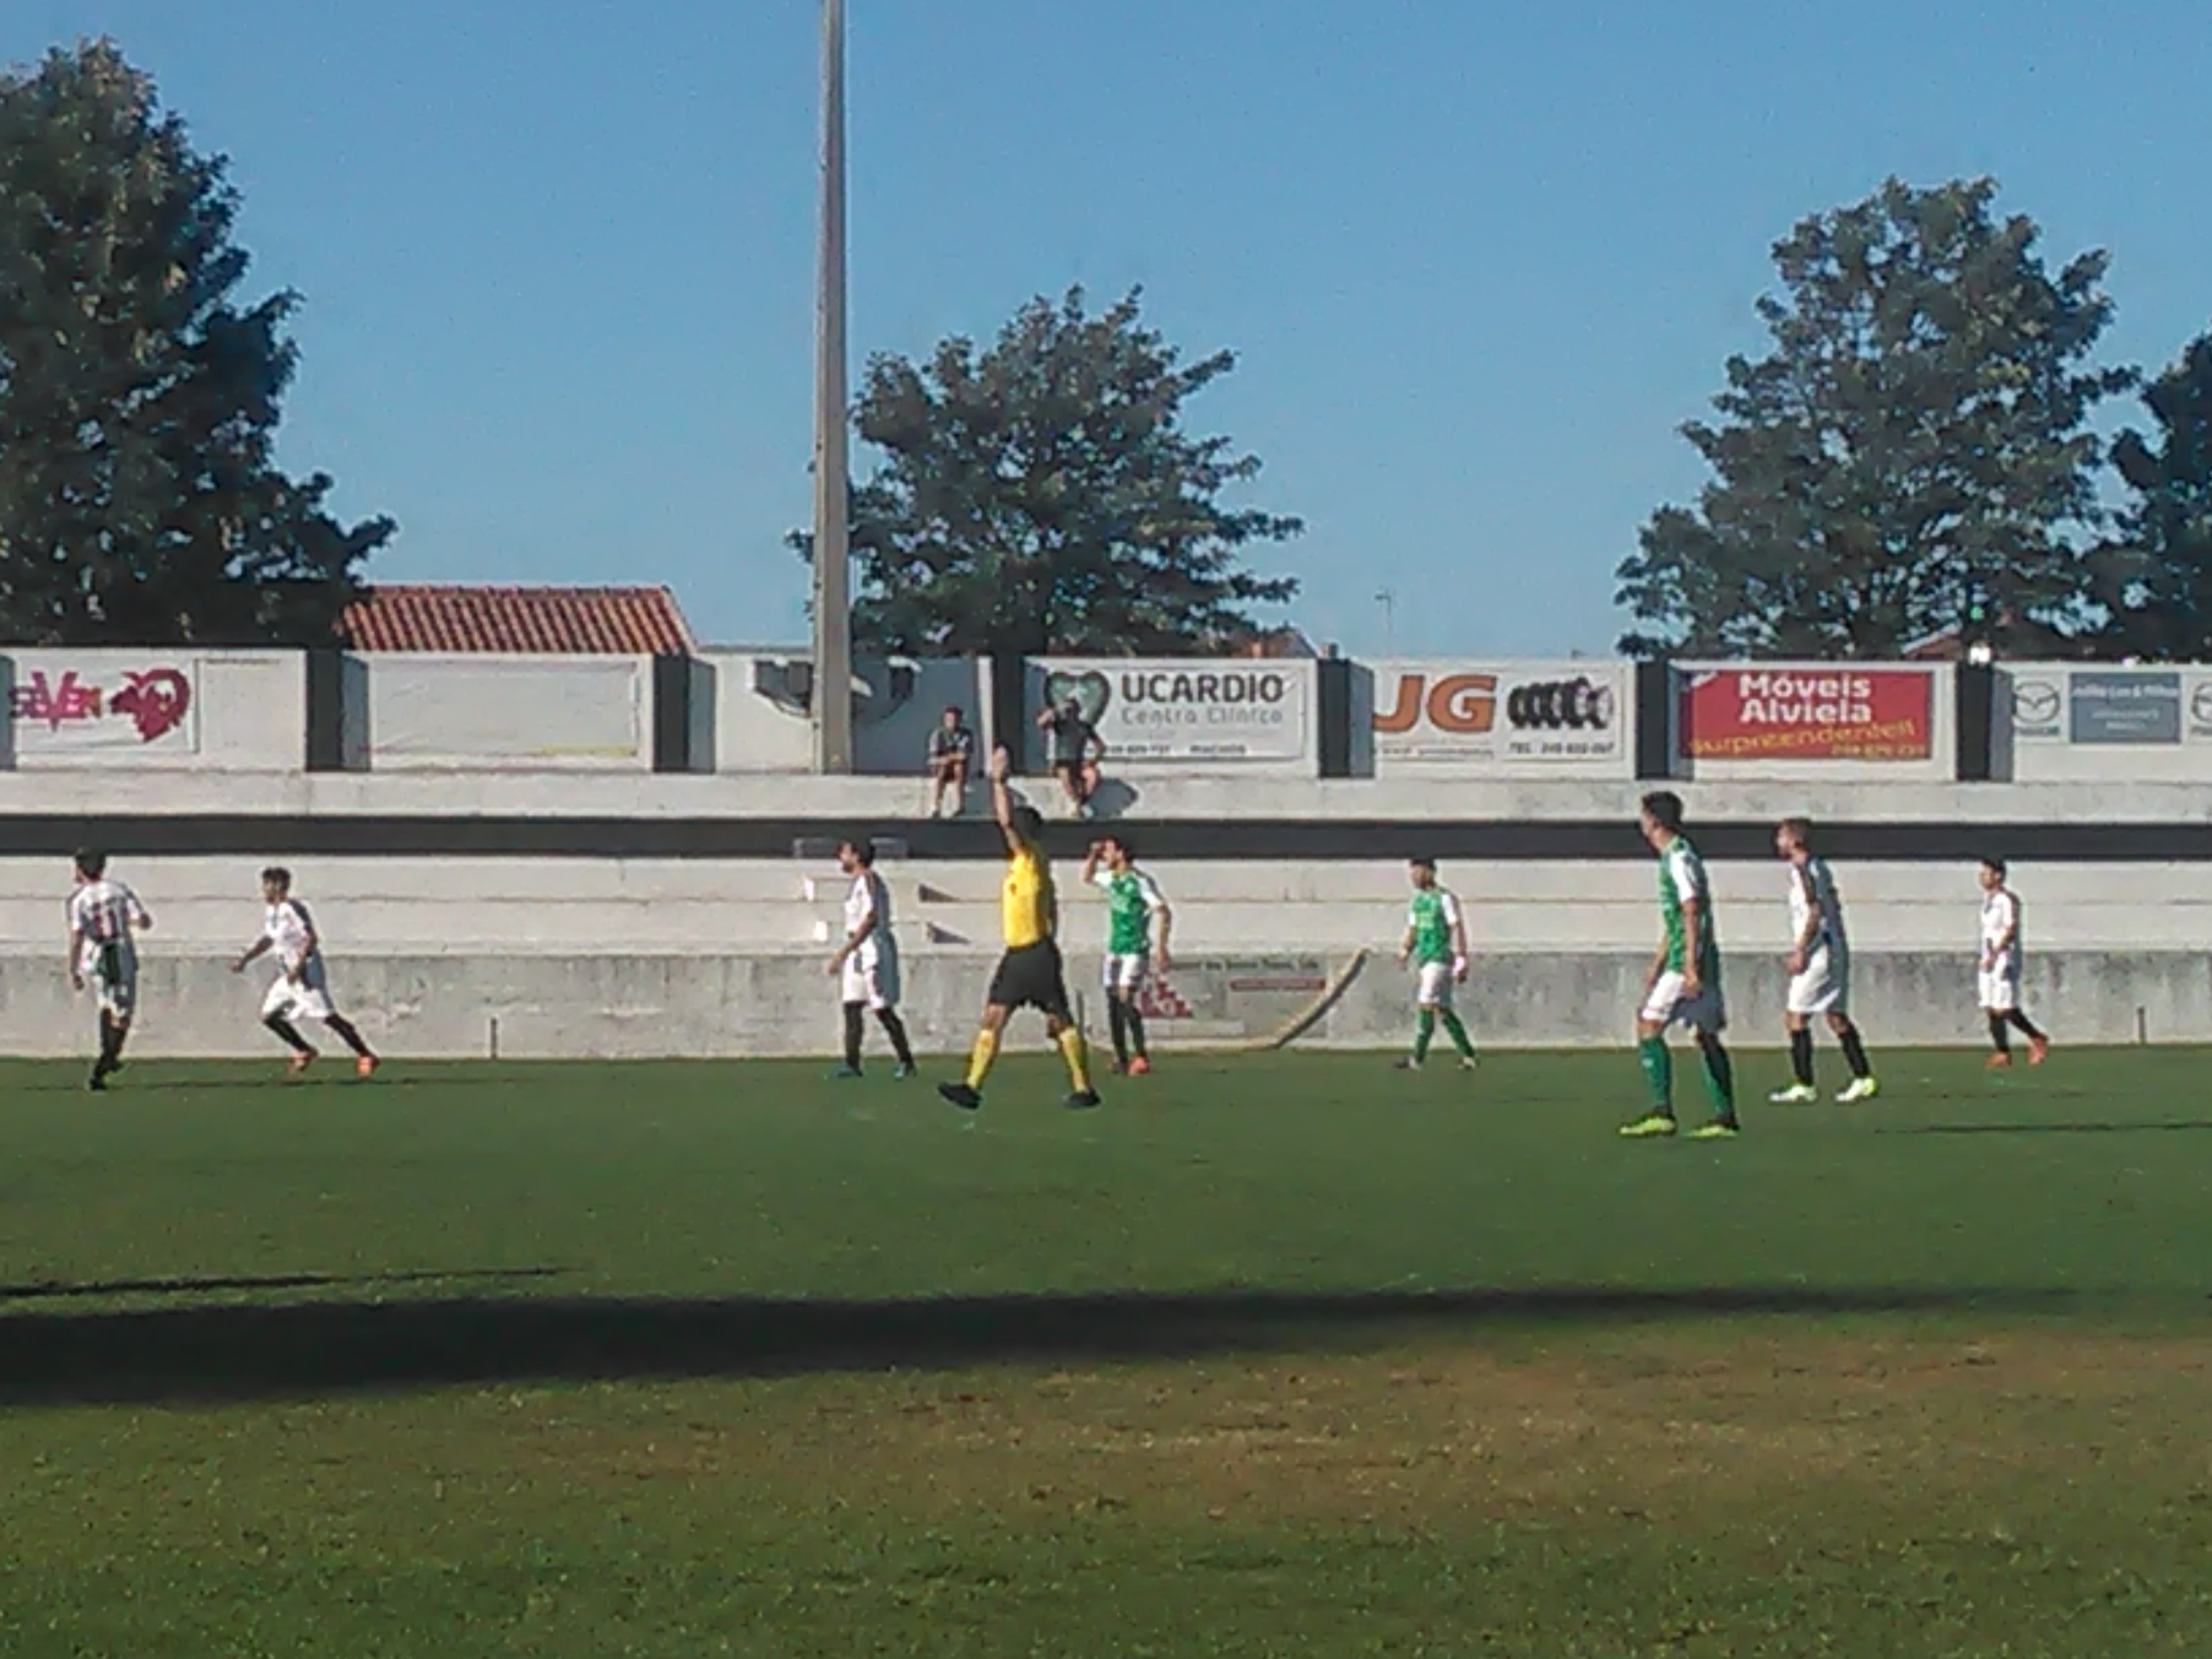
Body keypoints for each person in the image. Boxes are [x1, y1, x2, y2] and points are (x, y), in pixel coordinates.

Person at [939, 746, 1100, 1111]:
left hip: (1028, 952)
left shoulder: (1028, 859)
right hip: (1032, 951)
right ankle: (1081, 1086)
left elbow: (1006, 822)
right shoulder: (1035, 864)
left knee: (1001, 1017)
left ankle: (974, 1086)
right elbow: (1054, 908)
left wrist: (999, 782)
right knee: (1053, 1019)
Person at [1620, 791, 1740, 1141]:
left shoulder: (1678, 858)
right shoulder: (1677, 855)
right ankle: (1725, 1116)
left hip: (1688, 961)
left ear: (1654, 820)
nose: (1641, 822)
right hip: (1690, 958)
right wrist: (1657, 960)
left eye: (1643, 815)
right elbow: (1676, 918)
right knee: (1705, 1036)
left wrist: (1688, 965)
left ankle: (1662, 1112)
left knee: (1648, 1024)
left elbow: (1691, 910)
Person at [1768, 819, 1879, 1104]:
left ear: (1793, 840)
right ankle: (1863, 1077)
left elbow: (1815, 911)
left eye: (1781, 836)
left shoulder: (1804, 869)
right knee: (1835, 1015)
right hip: (1832, 949)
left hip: (1819, 952)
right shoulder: (1819, 867)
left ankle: (1805, 1084)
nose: (1777, 842)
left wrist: (1801, 950)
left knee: (1796, 1017)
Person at [230, 867, 379, 1077]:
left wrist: (298, 968)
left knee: (327, 1016)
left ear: (277, 887)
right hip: (288, 974)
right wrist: (245, 960)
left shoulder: (292, 908)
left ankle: (365, 1054)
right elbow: (269, 939)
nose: (263, 891)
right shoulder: (272, 912)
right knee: (269, 1016)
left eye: (266, 886)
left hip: (305, 971)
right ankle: (304, 1049)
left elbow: (311, 938)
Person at [1080, 836, 1172, 1076]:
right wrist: (1092, 855)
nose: (1105, 856)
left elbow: (1163, 911)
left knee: (1125, 998)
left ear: (1121, 853)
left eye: (1108, 851)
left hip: (1135, 948)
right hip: (1115, 948)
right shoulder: (1114, 879)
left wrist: (1162, 947)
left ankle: (1141, 1055)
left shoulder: (1139, 882)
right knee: (1112, 1001)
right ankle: (1121, 1056)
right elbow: (1088, 878)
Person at [827, 838, 917, 1079]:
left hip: (872, 949)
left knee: (882, 1008)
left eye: (845, 852)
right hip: (858, 951)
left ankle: (906, 1061)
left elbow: (871, 918)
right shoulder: (857, 884)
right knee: (852, 1005)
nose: (841, 857)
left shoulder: (869, 880)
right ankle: (852, 1062)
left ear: (856, 856)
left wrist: (845, 950)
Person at [66, 849, 152, 1092]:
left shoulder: (79, 900)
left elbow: (77, 936)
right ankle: (105, 1063)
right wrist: (139, 921)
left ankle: (108, 1053)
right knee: (123, 1013)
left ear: (82, 870)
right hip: (118, 954)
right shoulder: (118, 890)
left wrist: (72, 968)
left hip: (95, 957)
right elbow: (142, 919)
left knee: (106, 1004)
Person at [1394, 856, 1477, 1071]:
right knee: (1442, 1009)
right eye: (1411, 873)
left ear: (1429, 872)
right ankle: (1469, 1055)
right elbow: (1413, 929)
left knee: (1426, 1001)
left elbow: (1456, 926)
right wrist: (1405, 950)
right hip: (1425, 958)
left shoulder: (1444, 898)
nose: (1413, 877)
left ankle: (1417, 1058)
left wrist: (1461, 958)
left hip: (1439, 958)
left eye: (1417, 872)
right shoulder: (1418, 901)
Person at [1979, 857, 2049, 1069]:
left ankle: (2037, 1037)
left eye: (1987, 872)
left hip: (2003, 958)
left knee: (2004, 1008)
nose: (1982, 877)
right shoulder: (1987, 901)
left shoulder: (2007, 899)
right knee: (1990, 1007)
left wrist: (1997, 952)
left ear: (1998, 875)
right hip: (1988, 957)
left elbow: (2010, 928)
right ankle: (2002, 1052)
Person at [1037, 697, 1103, 819]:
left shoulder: (1084, 727)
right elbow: (1041, 723)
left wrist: (1092, 761)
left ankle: (1082, 802)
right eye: (1067, 710)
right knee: (1065, 774)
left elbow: (1100, 746)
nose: (1069, 713)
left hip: (1077, 762)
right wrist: (1055, 710)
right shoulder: (1060, 725)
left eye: (1072, 710)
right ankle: (1074, 801)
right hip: (1061, 762)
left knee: (1093, 775)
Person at [925, 706, 976, 819]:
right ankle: (936, 807)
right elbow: (932, 758)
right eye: (949, 719)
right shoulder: (938, 734)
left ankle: (959, 806)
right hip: (941, 767)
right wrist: (947, 760)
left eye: (955, 719)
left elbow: (964, 755)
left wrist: (948, 758)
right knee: (942, 771)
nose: (952, 722)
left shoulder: (966, 734)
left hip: (958, 767)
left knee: (959, 768)